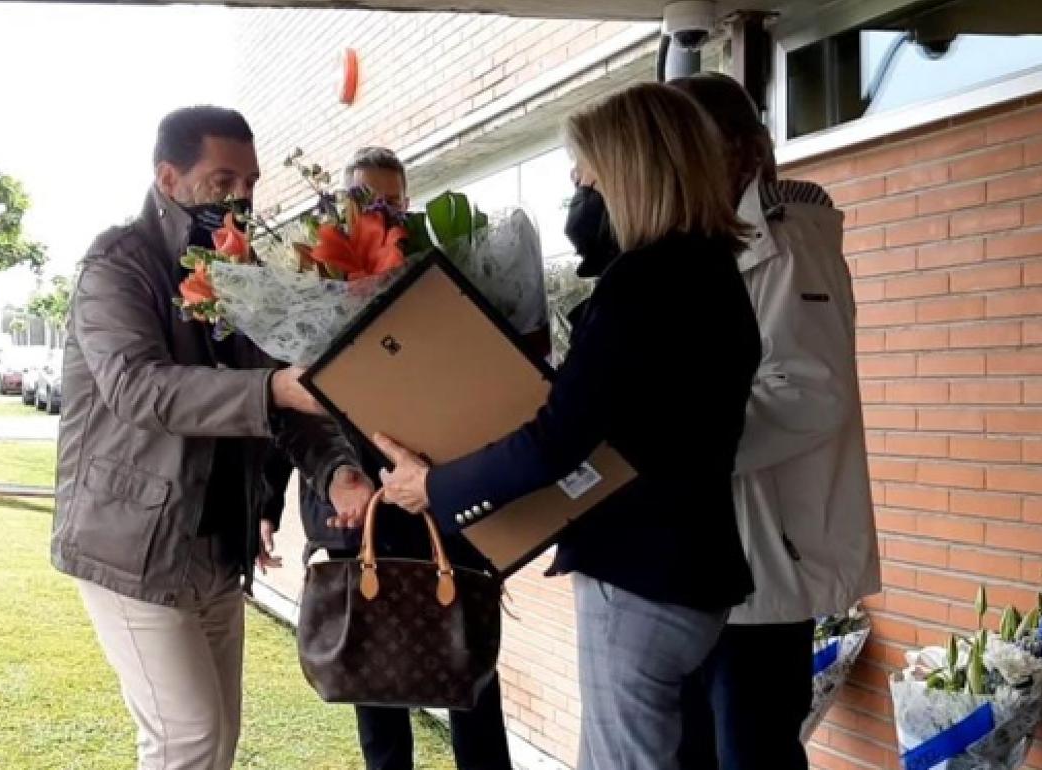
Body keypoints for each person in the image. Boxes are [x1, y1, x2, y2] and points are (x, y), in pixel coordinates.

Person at [375, 82, 761, 770]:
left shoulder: (644, 284)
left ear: (630, 174)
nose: (577, 198)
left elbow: (557, 438)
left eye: (584, 179)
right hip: (696, 573)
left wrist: (436, 486)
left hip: (641, 580)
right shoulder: (713, 274)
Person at [52, 105, 364, 770]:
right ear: (168, 176)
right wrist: (273, 389)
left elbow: (285, 395)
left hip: (219, 540)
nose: (241, 198)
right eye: (222, 181)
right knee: (186, 737)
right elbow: (138, 388)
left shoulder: (243, 270)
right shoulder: (117, 265)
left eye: (249, 183)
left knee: (217, 737)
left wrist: (336, 468)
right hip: (133, 543)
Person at [668, 73, 879, 770]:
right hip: (720, 561)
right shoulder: (718, 240)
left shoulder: (790, 244)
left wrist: (672, 445)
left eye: (685, 146)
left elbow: (806, 394)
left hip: (763, 567)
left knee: (751, 753)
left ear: (740, 150)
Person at [289, 145, 514, 770]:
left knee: (472, 682)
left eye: (391, 198)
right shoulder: (315, 286)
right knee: (375, 685)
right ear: (341, 201)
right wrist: (271, 500)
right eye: (366, 197)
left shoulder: (443, 276)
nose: (380, 210)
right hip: (358, 513)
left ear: (408, 202)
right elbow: (295, 412)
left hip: (443, 507)